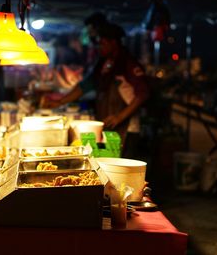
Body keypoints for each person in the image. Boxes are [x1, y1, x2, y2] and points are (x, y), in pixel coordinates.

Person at [42, 22, 149, 158]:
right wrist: (60, 102)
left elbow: (143, 94)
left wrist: (119, 116)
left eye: (102, 43)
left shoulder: (128, 64)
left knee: (123, 162)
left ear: (114, 43)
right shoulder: (102, 64)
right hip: (109, 123)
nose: (99, 47)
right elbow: (84, 86)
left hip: (128, 127)